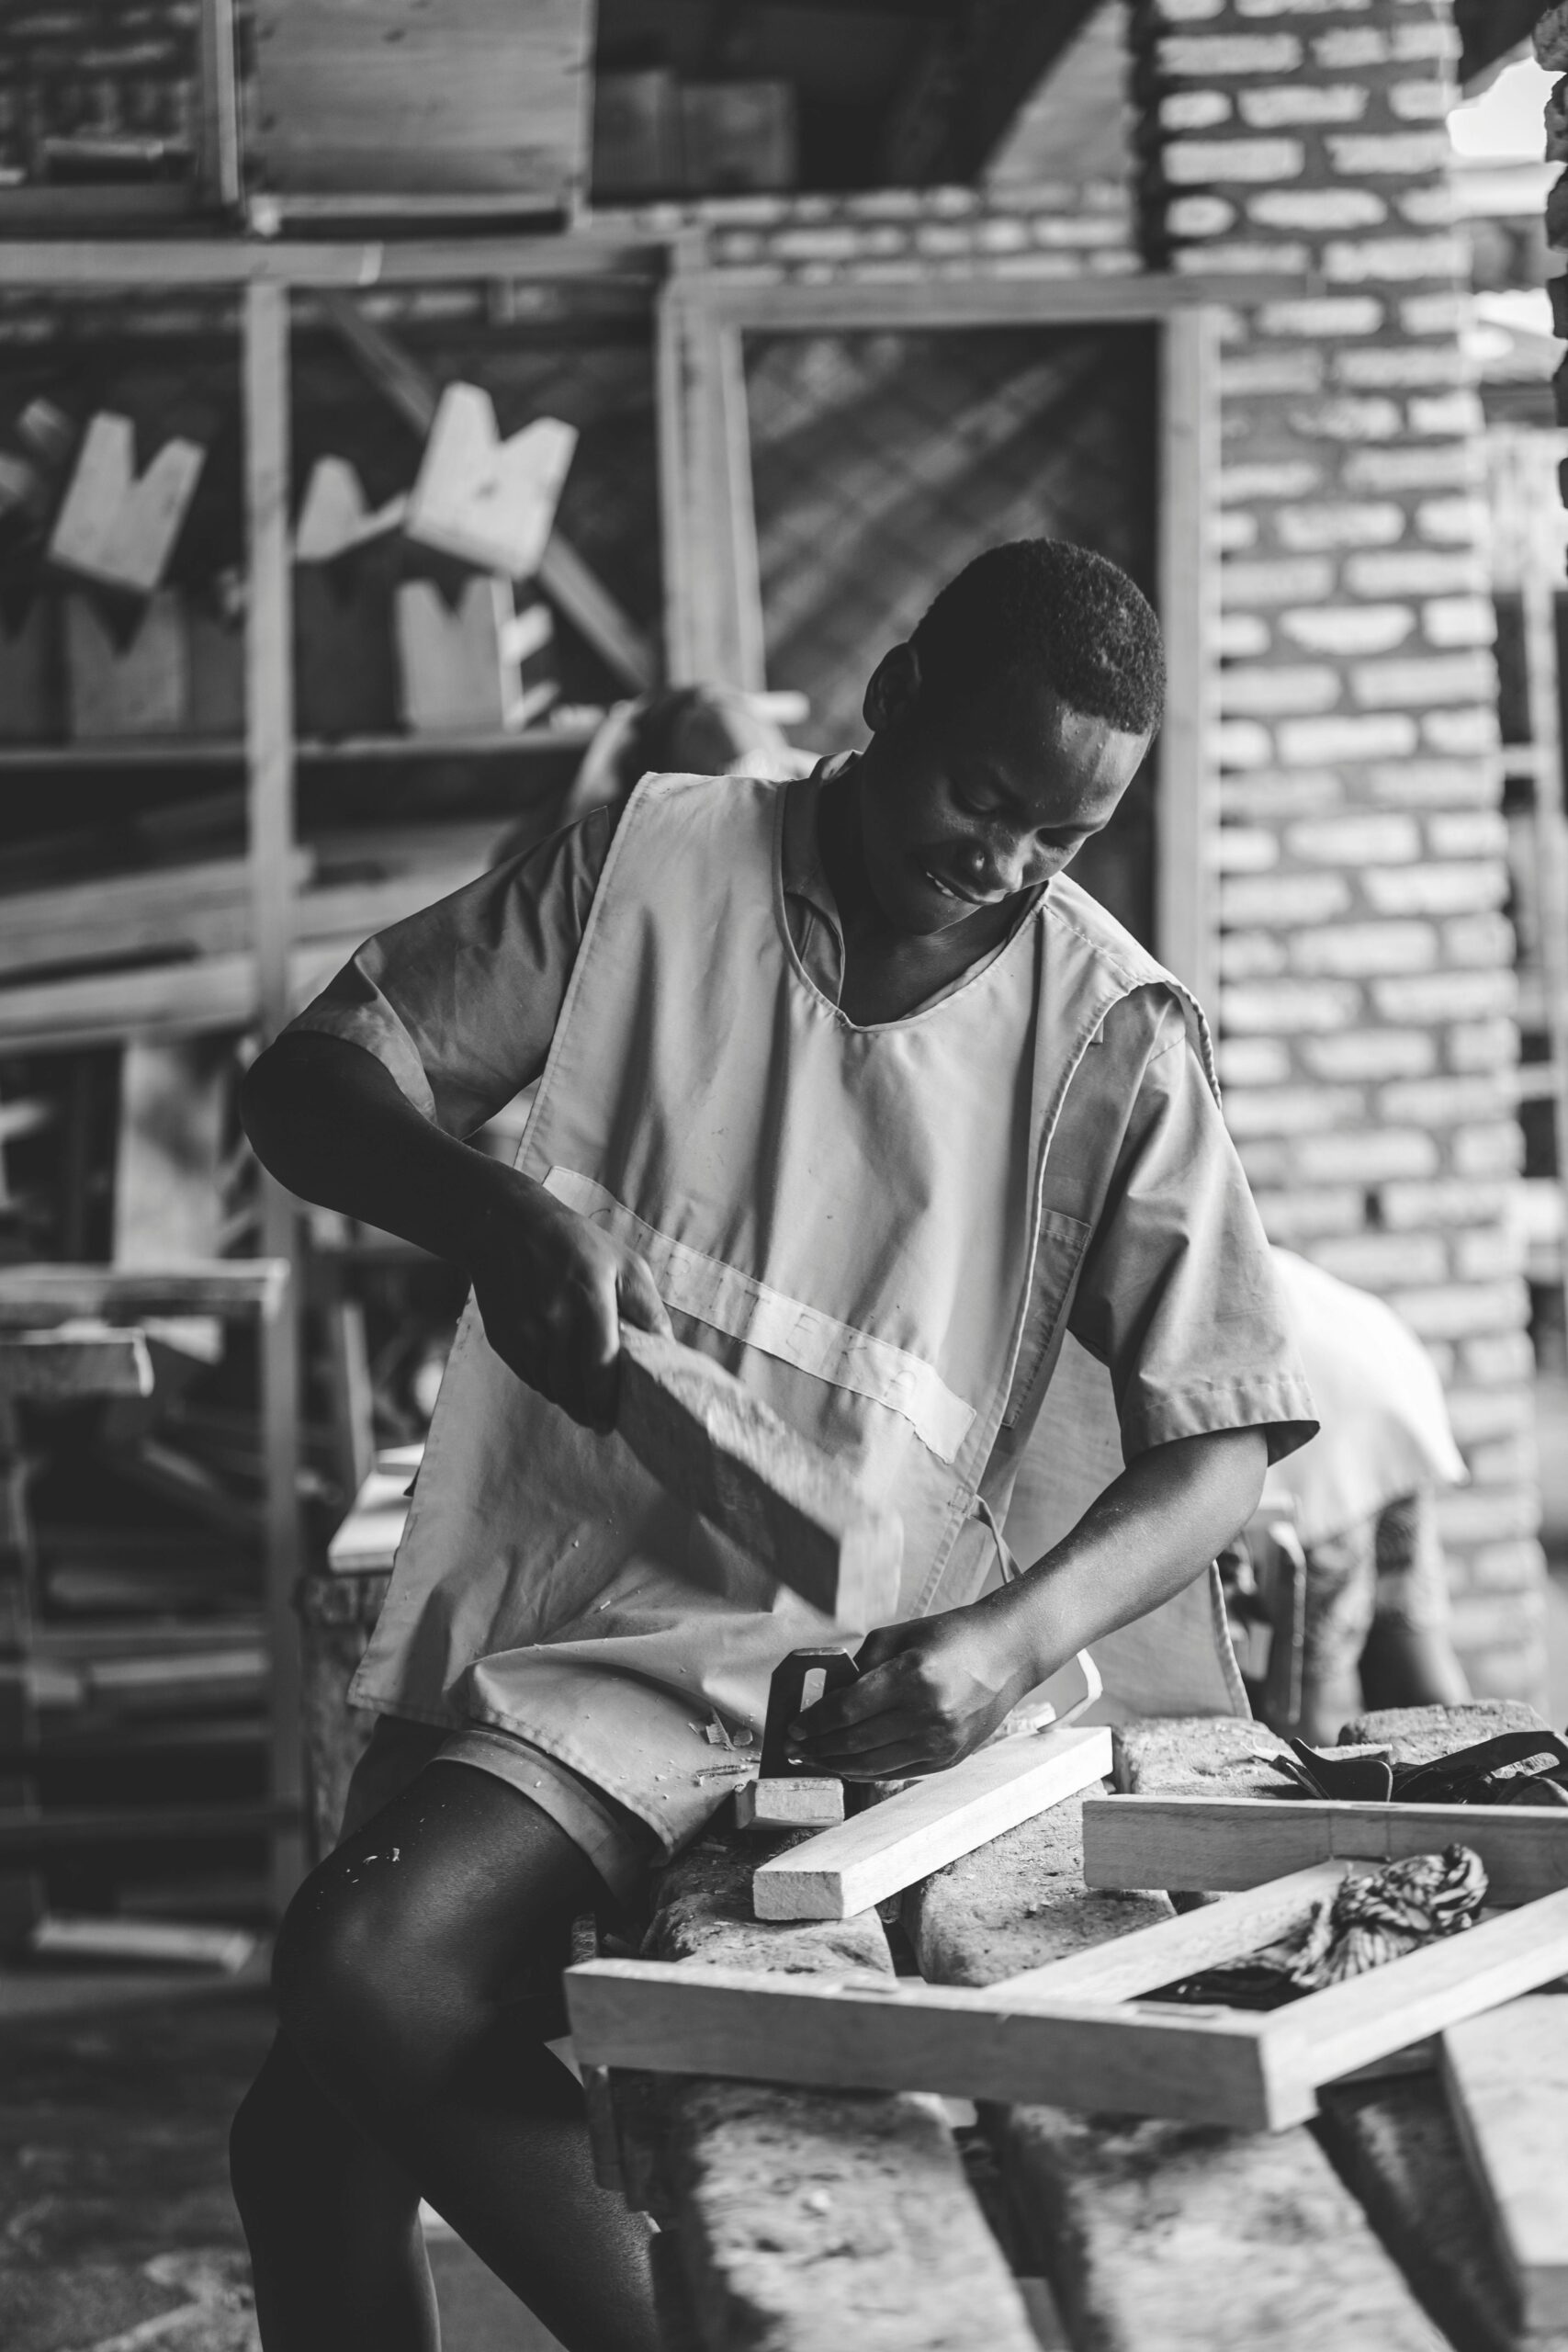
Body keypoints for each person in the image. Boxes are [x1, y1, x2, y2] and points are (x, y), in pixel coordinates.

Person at [230, 538, 1315, 2352]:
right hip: (536, 1595)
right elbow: (310, 1081)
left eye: (1061, 835)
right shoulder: (651, 868)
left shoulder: (1103, 1028)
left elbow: (1218, 1445)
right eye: (983, 793)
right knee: (304, 2153)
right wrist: (486, 1213)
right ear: (891, 693)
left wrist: (1006, 1641)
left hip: (804, 1668)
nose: (1006, 861)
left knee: (369, 1961)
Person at [1262, 1247, 1471, 1742]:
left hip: (1324, 1421)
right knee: (1411, 1653)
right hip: (1388, 1385)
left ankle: (1338, 1818)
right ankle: (1484, 1795)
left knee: (1313, 1697)